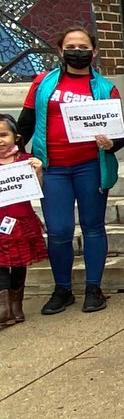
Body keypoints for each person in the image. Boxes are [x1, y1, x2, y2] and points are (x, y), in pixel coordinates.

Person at [19, 26, 124, 314]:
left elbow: (120, 135)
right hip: (52, 169)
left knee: (93, 227)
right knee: (59, 230)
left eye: (82, 47)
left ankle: (94, 288)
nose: (76, 51)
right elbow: (25, 125)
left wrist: (110, 144)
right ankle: (62, 289)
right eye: (70, 46)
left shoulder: (105, 88)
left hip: (90, 166)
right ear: (60, 50)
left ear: (94, 52)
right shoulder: (43, 83)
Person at [0, 114, 45, 326]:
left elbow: (36, 190)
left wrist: (37, 171)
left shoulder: (24, 161)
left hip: (20, 219)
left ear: (16, 137)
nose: (0, 140)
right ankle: (3, 307)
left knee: (19, 263)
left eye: (3, 135)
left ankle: (16, 307)